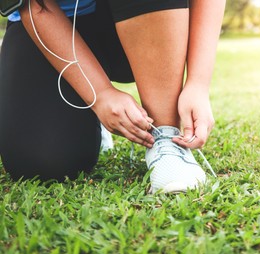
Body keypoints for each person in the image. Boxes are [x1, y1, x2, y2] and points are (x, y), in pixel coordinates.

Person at [0, 0, 225, 193]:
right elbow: (32, 4)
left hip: (151, 15)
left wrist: (198, 82)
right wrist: (100, 95)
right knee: (42, 162)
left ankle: (166, 139)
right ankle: (87, 115)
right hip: (56, 21)